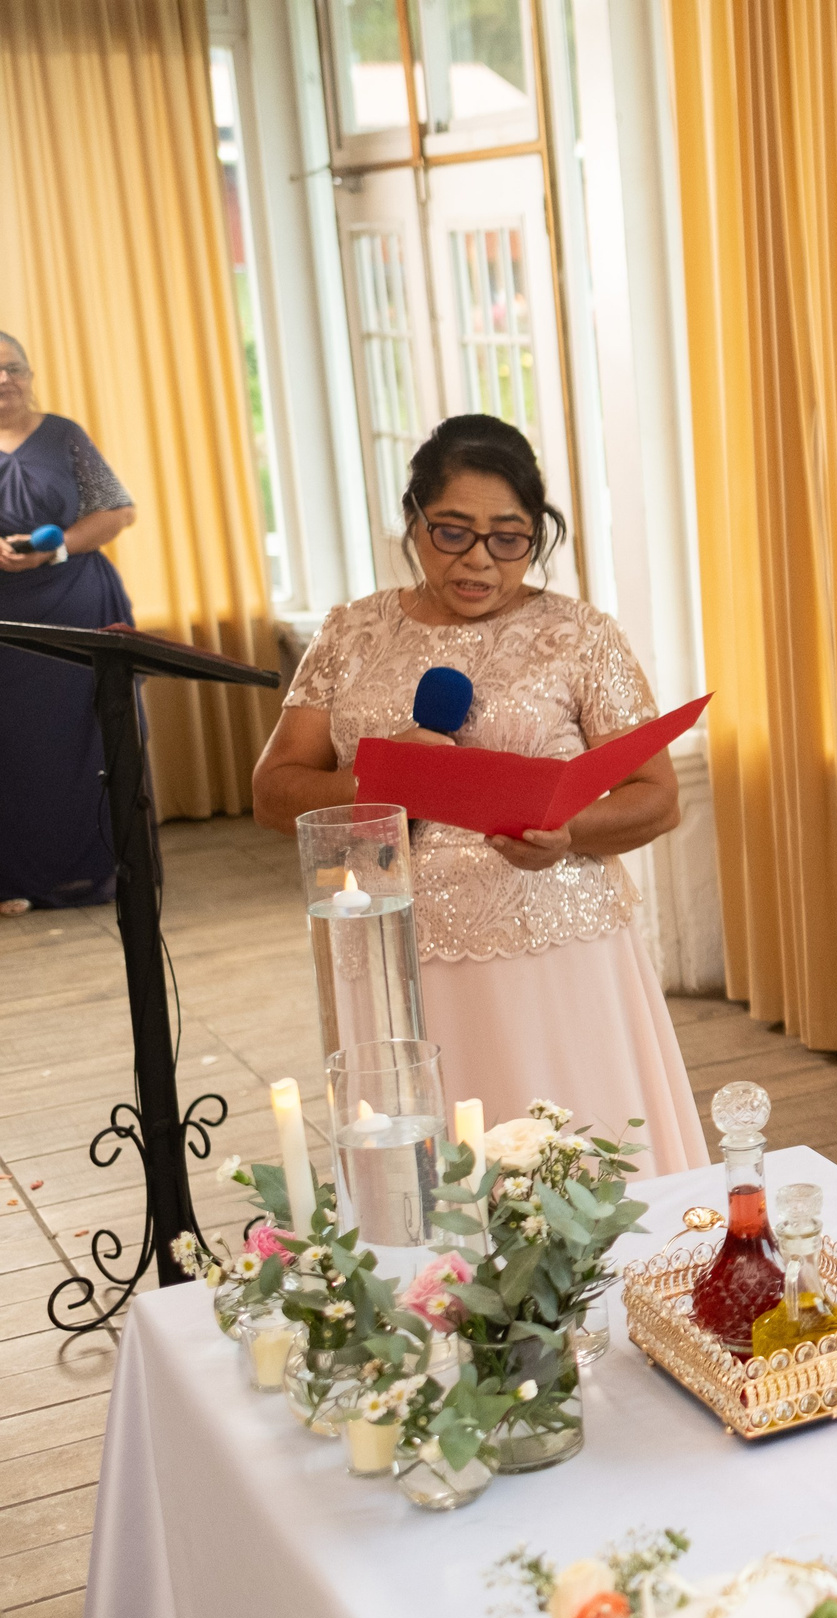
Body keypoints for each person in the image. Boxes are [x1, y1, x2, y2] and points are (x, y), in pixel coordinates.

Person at [251, 414, 707, 1174]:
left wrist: (570, 833)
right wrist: (386, 784)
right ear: (414, 520)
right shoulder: (352, 631)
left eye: (509, 537)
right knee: (425, 1182)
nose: (478, 560)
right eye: (452, 532)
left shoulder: (580, 635)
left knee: (572, 1167)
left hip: (552, 949)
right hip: (392, 947)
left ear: (537, 534)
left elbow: (658, 796)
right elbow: (273, 791)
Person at [0, 331, 141, 914]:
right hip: (8, 633)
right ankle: (14, 878)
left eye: (14, 369)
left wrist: (52, 552)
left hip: (79, 610)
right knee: (14, 750)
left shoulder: (63, 435)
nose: (5, 381)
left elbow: (120, 511)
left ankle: (97, 870)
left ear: (30, 375)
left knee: (89, 743)